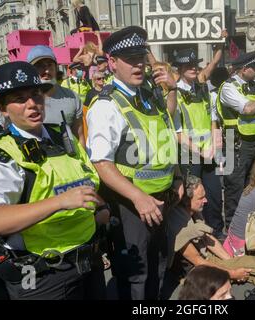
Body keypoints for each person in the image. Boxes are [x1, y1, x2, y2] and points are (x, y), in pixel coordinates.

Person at [0, 61, 109, 299]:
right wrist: (59, 202)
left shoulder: (62, 136)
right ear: (1, 108)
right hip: (42, 276)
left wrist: (102, 207)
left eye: (36, 94)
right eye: (20, 99)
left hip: (88, 262)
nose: (32, 104)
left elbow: (85, 181)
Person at [86, 26, 183, 300]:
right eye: (129, 59)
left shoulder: (148, 95)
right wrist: (138, 198)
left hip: (159, 199)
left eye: (140, 57)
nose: (138, 64)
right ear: (112, 63)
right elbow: (102, 163)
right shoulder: (106, 105)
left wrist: (176, 178)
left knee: (158, 267)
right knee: (135, 276)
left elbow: (164, 131)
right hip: (130, 206)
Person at [164, 174, 255, 298]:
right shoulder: (179, 224)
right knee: (250, 264)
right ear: (187, 200)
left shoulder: (192, 211)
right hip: (195, 272)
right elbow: (197, 261)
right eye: (201, 198)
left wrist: (231, 260)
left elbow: (208, 238)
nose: (206, 200)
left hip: (206, 258)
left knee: (247, 271)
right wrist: (231, 273)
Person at [217, 51, 255, 228]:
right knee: (234, 186)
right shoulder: (228, 87)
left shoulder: (253, 86)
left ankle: (250, 225)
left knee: (254, 184)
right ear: (244, 69)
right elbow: (247, 109)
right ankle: (232, 227)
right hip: (235, 142)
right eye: (254, 68)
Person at [173, 48, 224, 239]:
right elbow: (177, 132)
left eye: (195, 65)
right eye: (188, 65)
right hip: (189, 155)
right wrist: (201, 152)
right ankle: (195, 237)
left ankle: (216, 233)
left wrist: (215, 148)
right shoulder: (175, 94)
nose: (193, 68)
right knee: (192, 199)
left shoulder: (205, 91)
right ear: (179, 68)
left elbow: (213, 121)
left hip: (209, 153)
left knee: (214, 196)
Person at [27, 46, 86, 147]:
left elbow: (79, 137)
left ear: (56, 68)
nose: (46, 71)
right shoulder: (25, 102)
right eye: (40, 66)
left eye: (49, 65)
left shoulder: (72, 97)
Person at [82, 71, 106, 139]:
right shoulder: (90, 93)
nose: (102, 80)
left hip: (106, 119)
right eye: (99, 78)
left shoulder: (107, 91)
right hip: (95, 121)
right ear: (95, 81)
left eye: (103, 78)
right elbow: (85, 109)